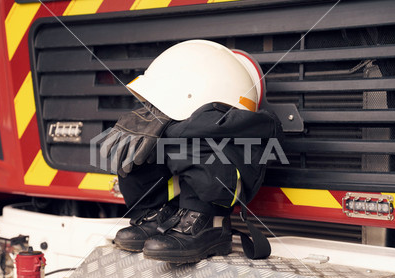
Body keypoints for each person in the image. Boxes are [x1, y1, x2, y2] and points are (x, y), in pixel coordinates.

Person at [101, 40, 281, 263]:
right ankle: (161, 214)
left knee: (191, 140)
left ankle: (209, 227)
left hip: (213, 204)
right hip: (175, 200)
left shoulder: (236, 134)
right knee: (154, 140)